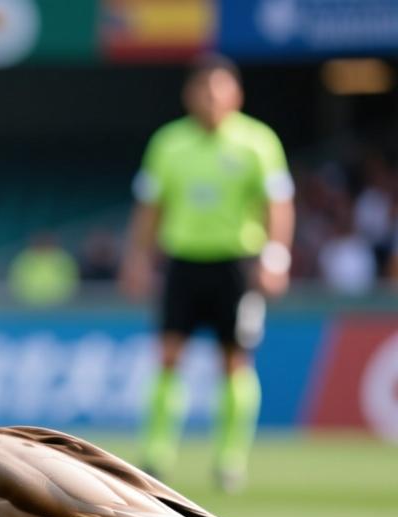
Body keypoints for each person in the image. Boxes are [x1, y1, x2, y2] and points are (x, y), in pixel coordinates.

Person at [119, 54, 295, 492]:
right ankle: (157, 454)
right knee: (168, 355)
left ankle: (229, 459)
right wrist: (137, 258)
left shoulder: (258, 142)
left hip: (235, 265)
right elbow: (149, 208)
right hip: (183, 262)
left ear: (235, 94)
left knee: (234, 361)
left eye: (219, 90)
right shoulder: (168, 143)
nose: (211, 98)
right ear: (189, 95)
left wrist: (276, 257)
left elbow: (278, 205)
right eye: (203, 89)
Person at [8, 233, 79, 306]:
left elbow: (72, 280)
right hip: (29, 305)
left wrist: (61, 298)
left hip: (59, 305)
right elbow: (16, 280)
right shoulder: (25, 258)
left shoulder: (62, 258)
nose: (43, 244)